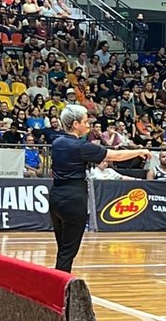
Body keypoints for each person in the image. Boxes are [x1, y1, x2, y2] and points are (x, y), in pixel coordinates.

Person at [49, 104, 150, 272]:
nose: (88, 124)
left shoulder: (57, 142)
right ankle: (59, 290)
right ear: (75, 124)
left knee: (63, 249)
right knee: (68, 253)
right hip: (74, 200)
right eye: (85, 121)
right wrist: (139, 151)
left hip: (55, 198)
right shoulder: (82, 146)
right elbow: (115, 156)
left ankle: (58, 284)